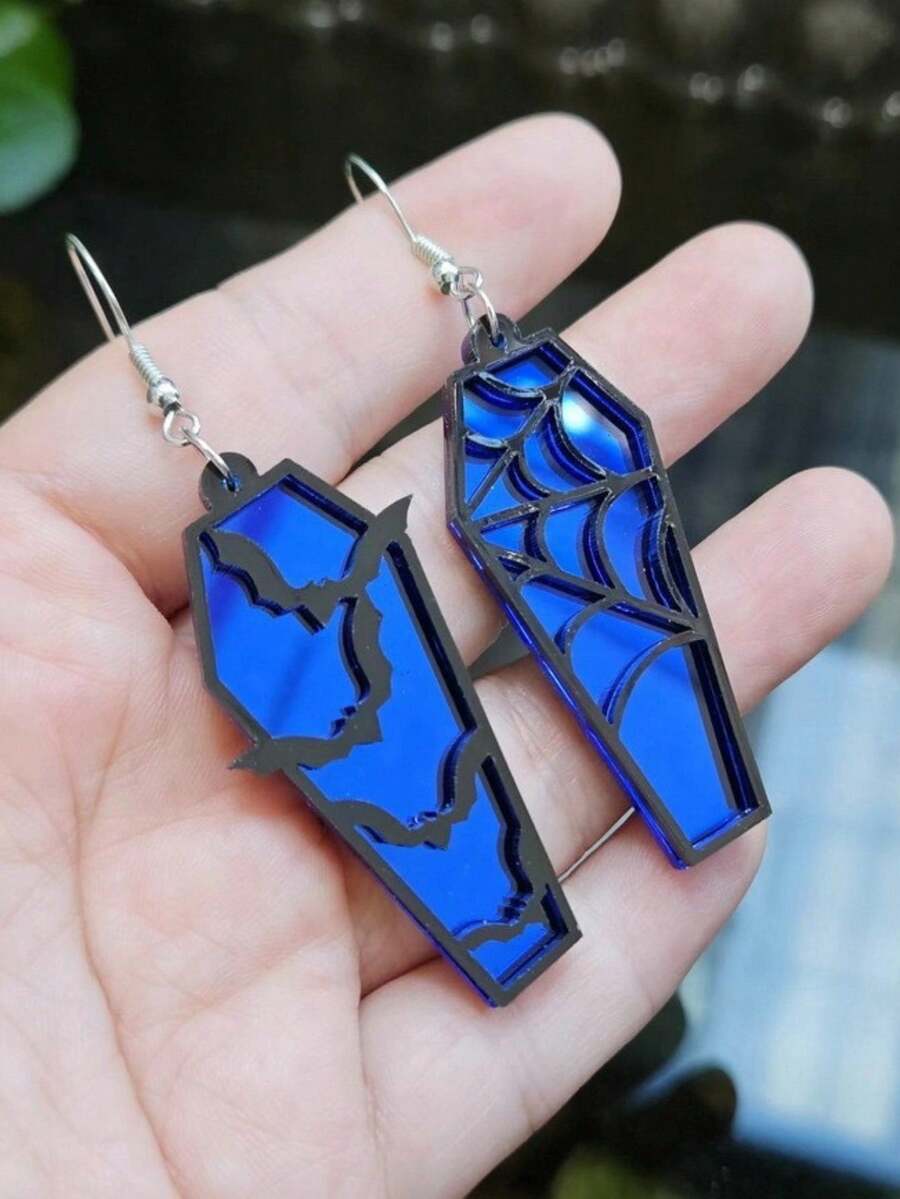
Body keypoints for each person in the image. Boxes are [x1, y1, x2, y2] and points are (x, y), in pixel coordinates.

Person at [0, 115, 891, 1197]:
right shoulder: (276, 574)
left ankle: (680, 810)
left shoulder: (435, 483)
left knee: (612, 683)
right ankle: (552, 903)